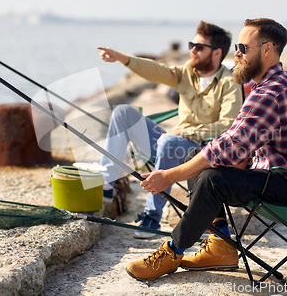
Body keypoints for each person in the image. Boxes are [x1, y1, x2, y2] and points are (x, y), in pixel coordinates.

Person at [126, 18, 287, 281]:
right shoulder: (273, 83)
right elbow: (236, 143)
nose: (237, 54)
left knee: (212, 179)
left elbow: (229, 145)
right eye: (237, 47)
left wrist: (169, 176)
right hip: (282, 176)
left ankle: (173, 251)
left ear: (267, 50)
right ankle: (220, 245)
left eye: (243, 48)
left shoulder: (271, 93)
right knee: (196, 159)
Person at [97, 21, 243, 234]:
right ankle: (107, 184)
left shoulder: (229, 83)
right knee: (122, 112)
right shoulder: (187, 72)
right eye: (192, 44)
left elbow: (227, 127)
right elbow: (157, 71)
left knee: (167, 140)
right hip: (171, 146)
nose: (192, 50)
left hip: (199, 156)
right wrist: (123, 58)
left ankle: (151, 217)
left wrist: (185, 132)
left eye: (199, 47)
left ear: (216, 53)